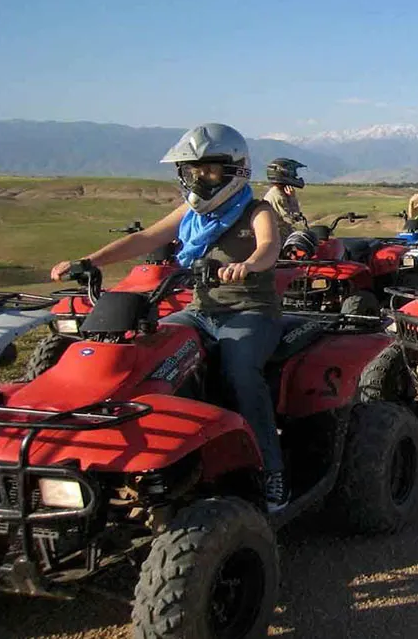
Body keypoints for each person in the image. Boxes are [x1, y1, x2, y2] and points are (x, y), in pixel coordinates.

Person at [49, 124, 288, 510]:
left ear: (235, 171)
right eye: (192, 171)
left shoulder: (257, 210)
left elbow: (269, 247)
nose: (199, 179)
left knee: (242, 374)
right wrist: (89, 261)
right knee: (142, 354)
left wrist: (247, 265)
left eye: (208, 170)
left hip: (249, 312)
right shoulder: (191, 211)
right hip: (199, 312)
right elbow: (145, 239)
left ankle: (272, 471)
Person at [264, 157, 307, 241]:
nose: (295, 175)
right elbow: (292, 219)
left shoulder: (278, 193)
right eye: (292, 172)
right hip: (279, 240)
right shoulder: (277, 196)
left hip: (281, 236)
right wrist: (292, 198)